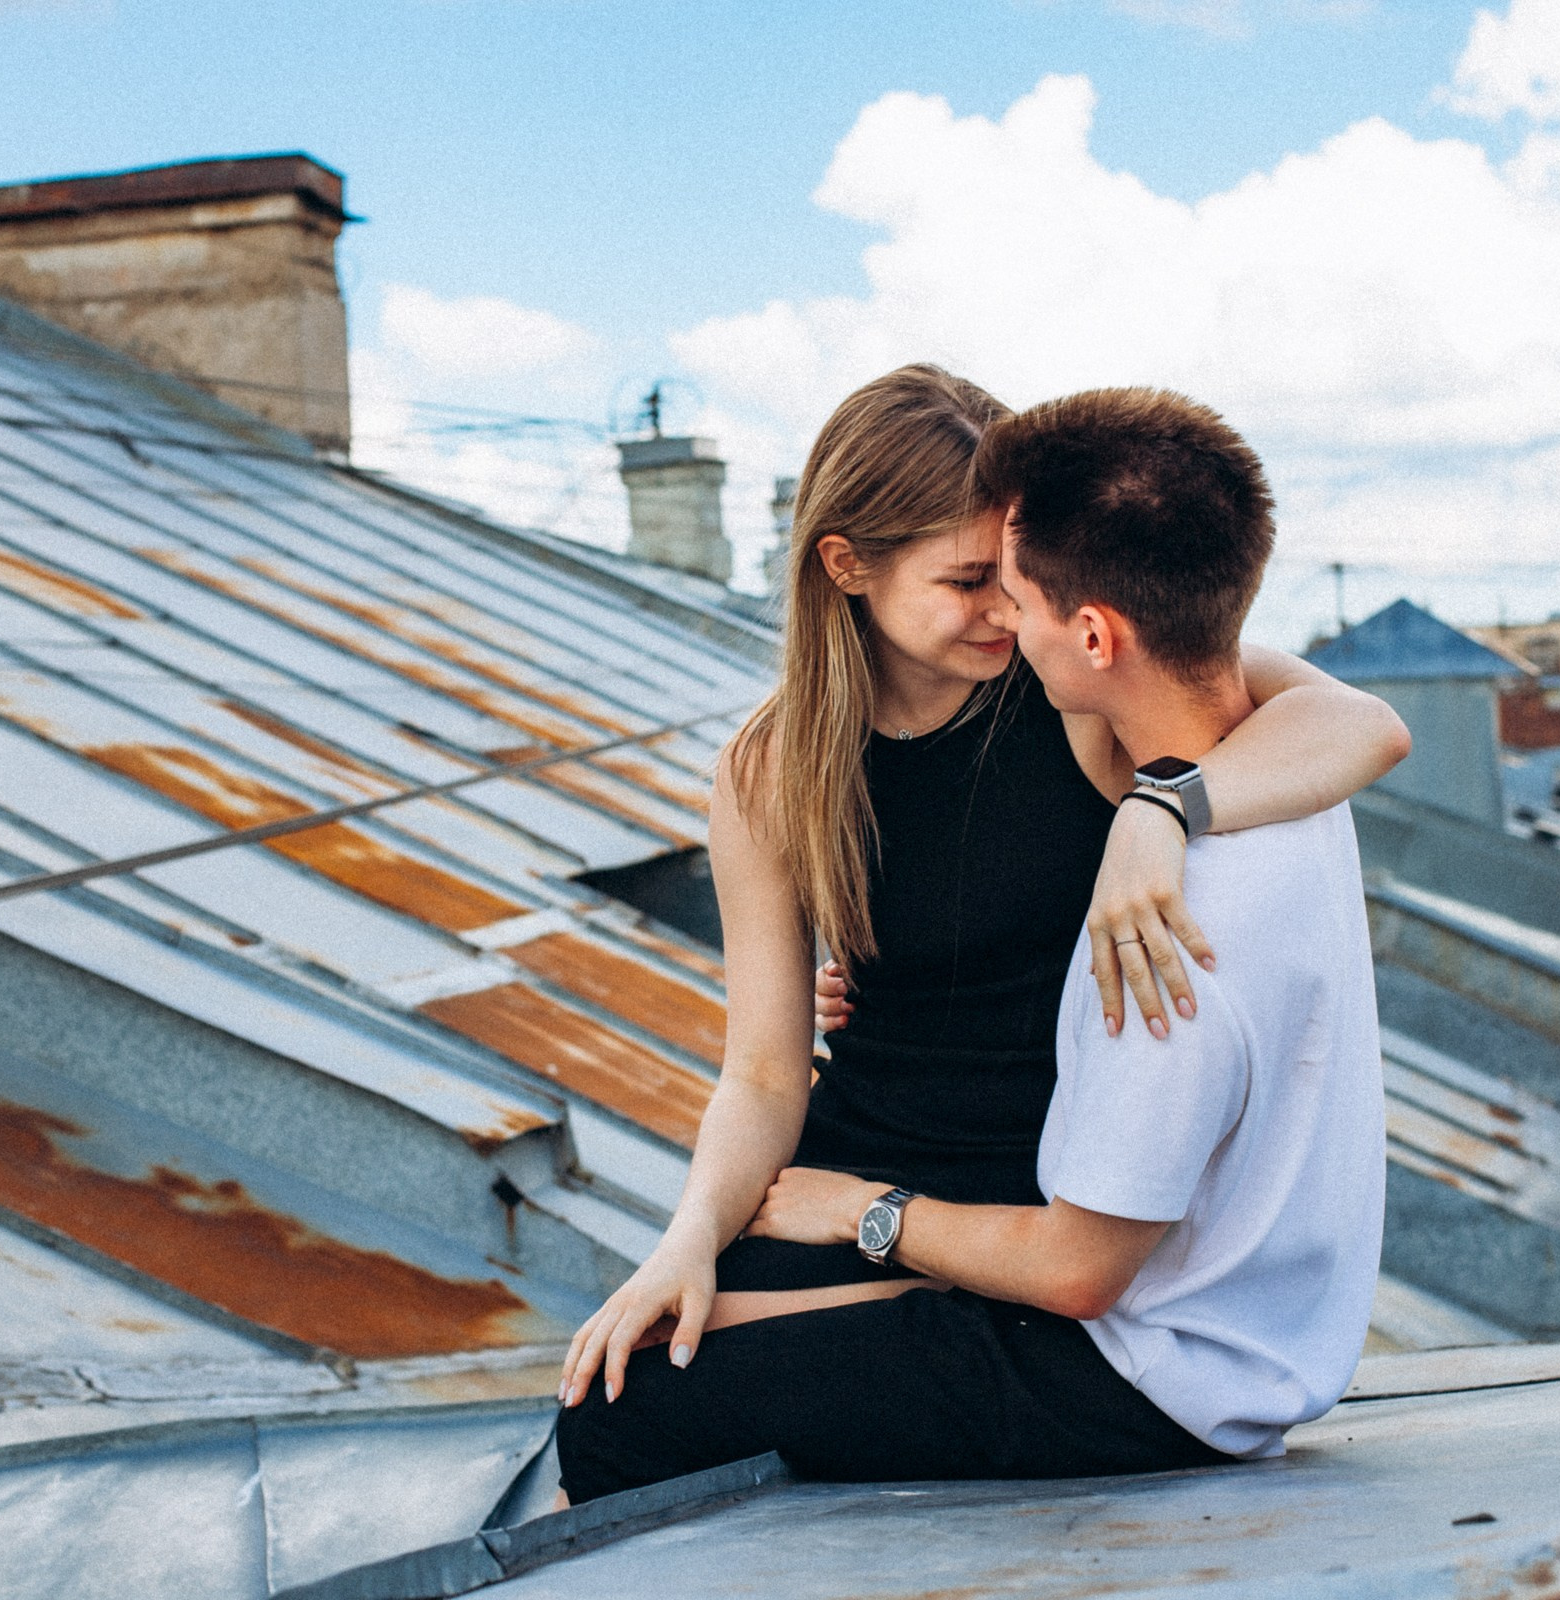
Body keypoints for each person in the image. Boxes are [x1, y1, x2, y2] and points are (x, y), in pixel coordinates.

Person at [552, 386, 1387, 1501]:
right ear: (848, 567)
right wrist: (687, 1239)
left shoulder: (1075, 688)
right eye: (965, 581)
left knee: (659, 1410)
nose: (1003, 607)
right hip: (869, 1160)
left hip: (1054, 1190)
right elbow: (761, 1067)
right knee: (628, 1377)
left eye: (1009, 571)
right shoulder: (773, 768)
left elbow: (1359, 723)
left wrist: (1159, 809)